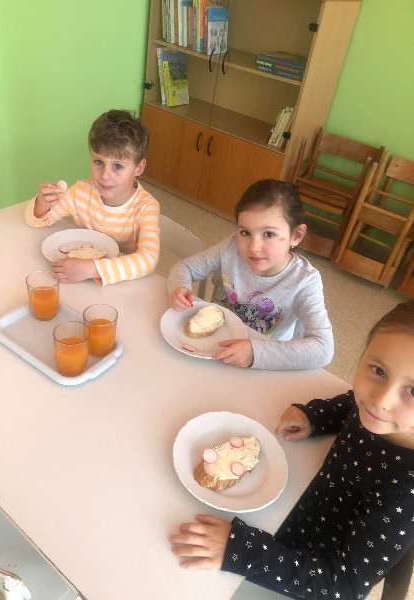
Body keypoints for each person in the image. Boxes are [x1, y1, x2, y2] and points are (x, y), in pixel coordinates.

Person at [169, 300, 414, 599]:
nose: (381, 400)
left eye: (412, 390)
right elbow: (354, 402)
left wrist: (241, 550)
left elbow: (343, 586)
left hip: (307, 567)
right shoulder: (382, 413)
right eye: (378, 370)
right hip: (297, 506)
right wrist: (317, 416)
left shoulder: (406, 491)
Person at [167, 179, 333, 370]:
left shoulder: (305, 281)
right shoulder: (231, 247)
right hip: (216, 346)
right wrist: (179, 287)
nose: (254, 247)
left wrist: (254, 353)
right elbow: (184, 267)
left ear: (296, 236)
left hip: (265, 362)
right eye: (245, 232)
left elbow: (324, 349)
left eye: (269, 234)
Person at [25, 109, 160, 286]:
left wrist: (92, 269)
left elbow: (148, 260)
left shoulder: (146, 207)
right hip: (80, 284)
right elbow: (38, 221)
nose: (105, 175)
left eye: (117, 166)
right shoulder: (80, 192)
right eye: (98, 162)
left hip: (121, 284)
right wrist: (42, 204)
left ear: (138, 168)